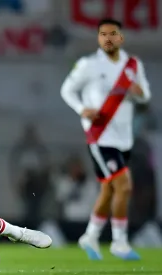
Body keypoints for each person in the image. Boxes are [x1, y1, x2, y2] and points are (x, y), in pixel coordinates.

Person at [60, 18, 151, 261]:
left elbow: (145, 97)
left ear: (121, 37)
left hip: (124, 139)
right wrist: (82, 109)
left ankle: (90, 235)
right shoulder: (88, 65)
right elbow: (67, 90)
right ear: (98, 38)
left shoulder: (132, 65)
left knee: (109, 190)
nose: (108, 38)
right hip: (100, 136)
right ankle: (120, 243)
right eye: (103, 34)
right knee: (124, 185)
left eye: (113, 33)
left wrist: (139, 95)